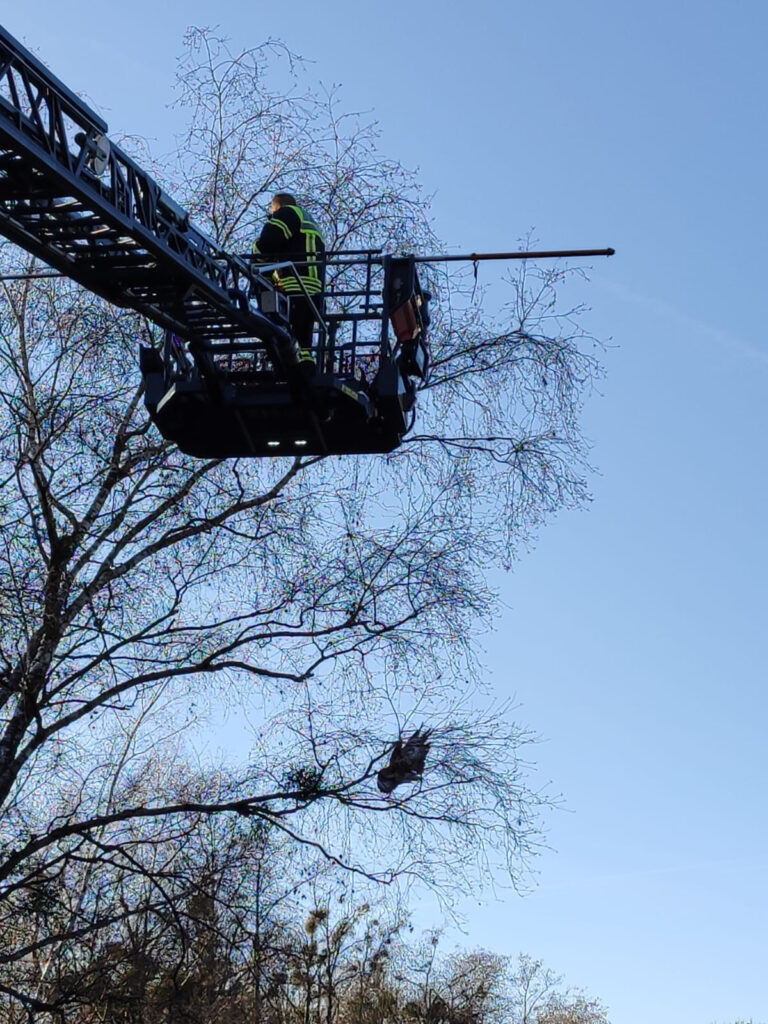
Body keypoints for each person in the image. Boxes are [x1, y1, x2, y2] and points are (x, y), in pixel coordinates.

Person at [253, 193, 326, 373]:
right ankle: (306, 363)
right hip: (312, 287)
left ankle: (284, 362)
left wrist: (256, 249)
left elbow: (268, 243)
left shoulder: (287, 214)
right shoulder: (308, 221)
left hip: (293, 283)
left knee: (280, 328)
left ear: (276, 207)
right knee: (302, 337)